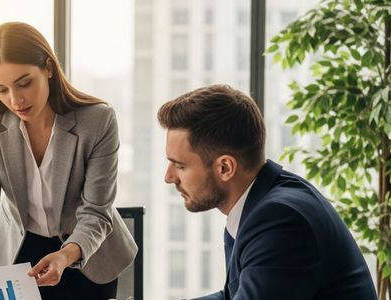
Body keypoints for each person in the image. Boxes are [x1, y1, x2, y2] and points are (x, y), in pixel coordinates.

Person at [0, 22, 137, 299]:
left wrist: (64, 256)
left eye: (24, 83)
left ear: (48, 67)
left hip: (86, 253)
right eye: (1, 89)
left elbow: (96, 211)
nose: (15, 99)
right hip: (18, 254)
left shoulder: (97, 120)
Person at [159, 85, 376, 299]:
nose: (169, 177)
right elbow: (231, 295)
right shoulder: (266, 200)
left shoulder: (280, 221)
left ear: (225, 168)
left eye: (180, 166)